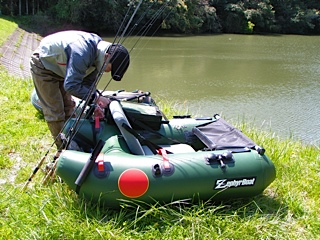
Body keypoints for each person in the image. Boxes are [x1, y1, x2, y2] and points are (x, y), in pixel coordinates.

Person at [30, 30, 130, 149]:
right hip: (43, 65)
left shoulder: (100, 57)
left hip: (63, 68)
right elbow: (71, 86)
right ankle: (63, 149)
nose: (108, 72)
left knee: (69, 106)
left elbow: (87, 84)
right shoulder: (82, 53)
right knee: (55, 111)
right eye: (110, 69)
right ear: (107, 57)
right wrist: (97, 98)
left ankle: (71, 140)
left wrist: (95, 105)